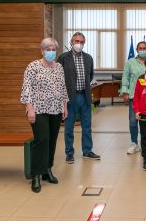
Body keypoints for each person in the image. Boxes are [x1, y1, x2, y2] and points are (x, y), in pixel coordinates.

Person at [21, 38, 68, 193]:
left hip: (55, 108)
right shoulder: (33, 66)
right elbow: (27, 88)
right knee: (42, 139)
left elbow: (62, 87)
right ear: (42, 51)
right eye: (48, 48)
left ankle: (47, 170)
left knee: (52, 140)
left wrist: (64, 105)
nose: (51, 51)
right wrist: (30, 108)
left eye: (53, 49)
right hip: (38, 109)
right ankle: (36, 175)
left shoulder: (59, 67)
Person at [57, 32, 100, 164]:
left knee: (87, 126)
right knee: (69, 126)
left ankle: (87, 150)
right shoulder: (63, 57)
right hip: (70, 97)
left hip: (85, 95)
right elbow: (59, 77)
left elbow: (91, 75)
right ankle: (69, 153)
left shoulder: (88, 58)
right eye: (76, 41)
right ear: (71, 42)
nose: (79, 44)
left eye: (81, 42)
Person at [120, 41, 146, 155]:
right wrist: (125, 92)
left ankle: (144, 143)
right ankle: (134, 144)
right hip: (134, 96)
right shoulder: (130, 63)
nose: (142, 50)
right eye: (140, 48)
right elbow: (125, 77)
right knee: (133, 121)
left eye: (144, 48)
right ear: (137, 50)